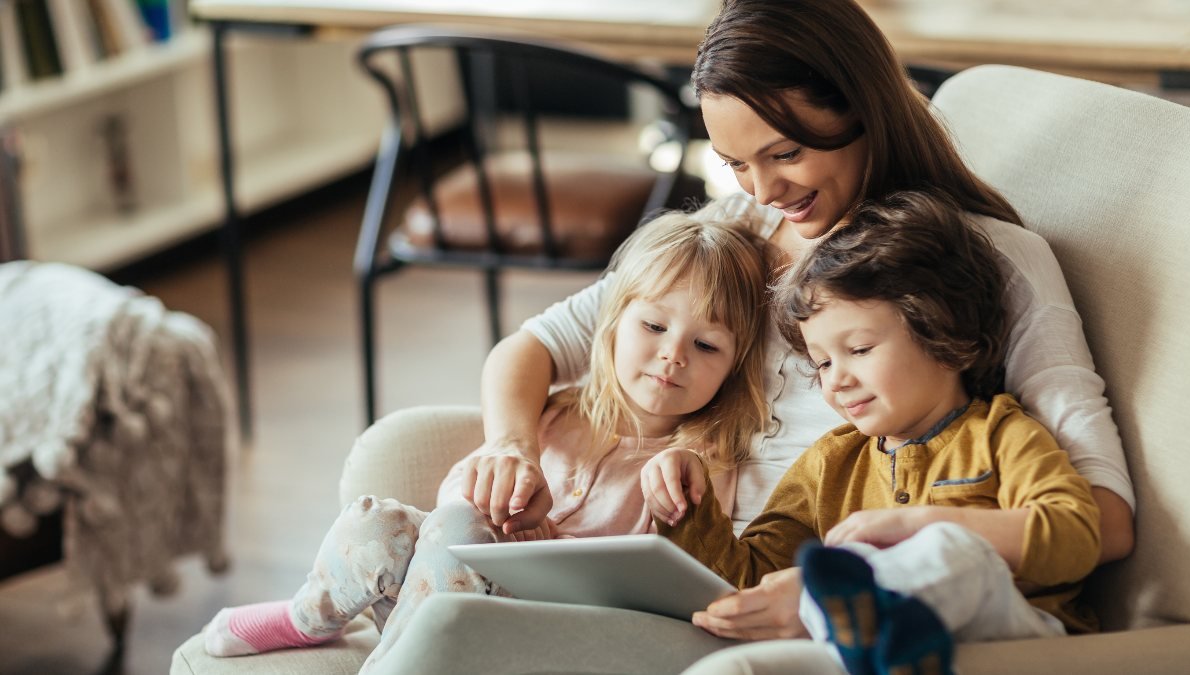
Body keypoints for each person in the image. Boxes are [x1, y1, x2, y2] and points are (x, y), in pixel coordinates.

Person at [368, 0, 1134, 671]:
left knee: (459, 626)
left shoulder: (991, 260)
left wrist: (863, 569)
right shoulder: (736, 233)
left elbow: (1107, 521)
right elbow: (534, 346)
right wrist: (511, 443)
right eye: (734, 162)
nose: (765, 193)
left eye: (787, 153)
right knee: (451, 560)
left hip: (807, 605)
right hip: (690, 567)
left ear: (864, 108)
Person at [199, 205, 773, 670]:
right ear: (613, 324)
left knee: (459, 527)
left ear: (733, 367)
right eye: (654, 326)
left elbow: (656, 584)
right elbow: (458, 498)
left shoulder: (697, 465)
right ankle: (306, 618)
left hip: (535, 630)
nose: (673, 354)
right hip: (443, 591)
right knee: (387, 521)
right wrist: (500, 493)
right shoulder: (554, 414)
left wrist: (541, 540)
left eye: (706, 346)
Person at [646, 191, 1101, 675]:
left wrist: (916, 526)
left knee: (952, 550)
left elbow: (1077, 536)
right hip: (847, 652)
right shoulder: (830, 462)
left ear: (941, 333)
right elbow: (753, 580)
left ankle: (883, 624)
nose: (835, 379)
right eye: (821, 363)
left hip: (1013, 640)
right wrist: (687, 508)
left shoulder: (1002, 434)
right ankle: (873, 636)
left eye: (859, 349)